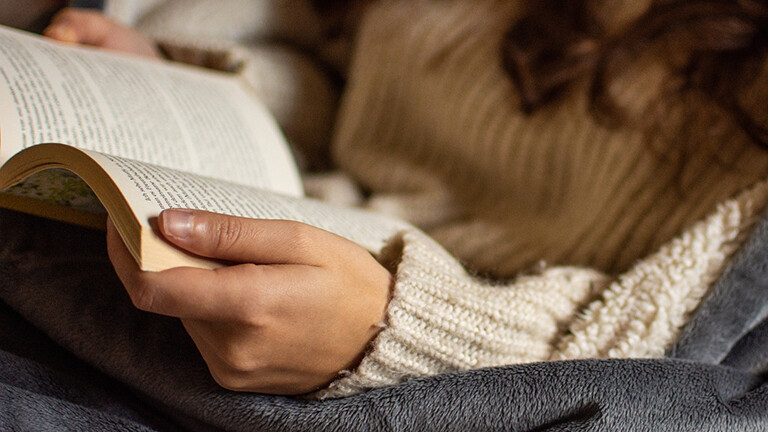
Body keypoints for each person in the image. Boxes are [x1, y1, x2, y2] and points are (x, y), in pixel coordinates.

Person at [39, 0, 768, 399]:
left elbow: (680, 351)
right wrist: (194, 88)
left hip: (426, 357)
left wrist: (395, 331)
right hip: (275, 211)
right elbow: (347, 81)